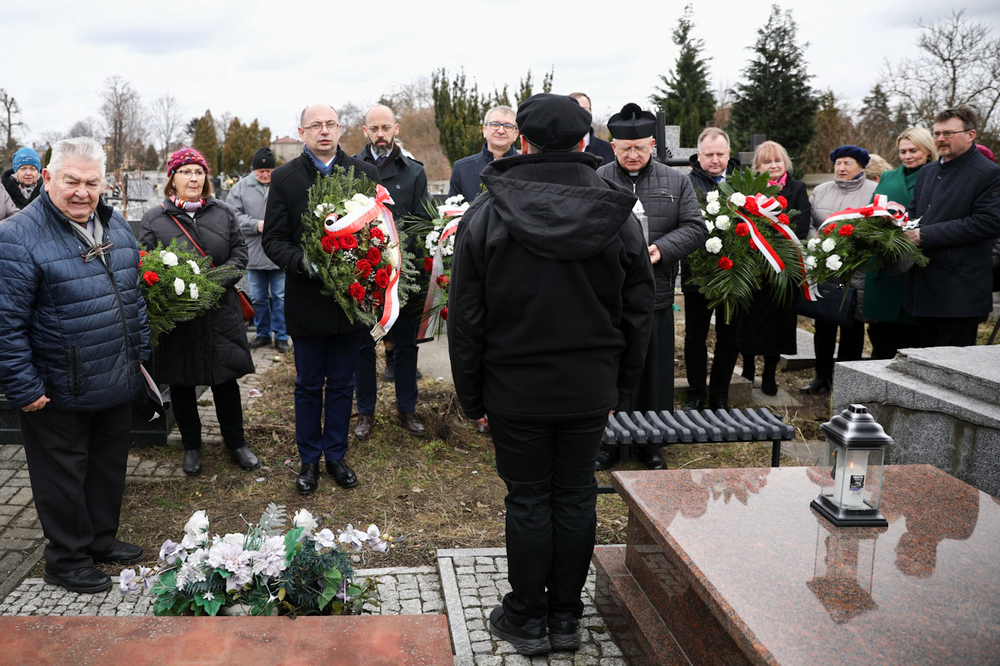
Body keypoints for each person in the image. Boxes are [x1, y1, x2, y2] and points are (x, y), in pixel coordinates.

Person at [448, 93, 654, 656]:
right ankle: (563, 616)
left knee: (531, 498)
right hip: (589, 385)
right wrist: (621, 388)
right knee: (574, 495)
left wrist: (472, 396)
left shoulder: (486, 215)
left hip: (516, 388)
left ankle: (531, 615)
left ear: (523, 142)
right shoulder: (618, 213)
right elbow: (639, 314)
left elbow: (466, 317)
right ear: (585, 143)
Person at [0, 137, 150, 593]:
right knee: (62, 478)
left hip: (114, 375)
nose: (82, 192)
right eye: (71, 181)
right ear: (47, 179)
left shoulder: (116, 223)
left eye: (91, 182)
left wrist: (139, 357)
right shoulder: (17, 236)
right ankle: (65, 560)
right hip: (57, 385)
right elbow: (5, 322)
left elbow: (133, 297)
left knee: (107, 468)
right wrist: (23, 386)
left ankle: (99, 541)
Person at [262, 104, 380, 494]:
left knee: (343, 383)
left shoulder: (364, 174)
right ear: (302, 132)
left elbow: (377, 232)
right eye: (316, 125)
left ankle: (336, 455)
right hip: (307, 301)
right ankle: (309, 459)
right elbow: (274, 239)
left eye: (330, 124)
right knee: (310, 384)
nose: (324, 131)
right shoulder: (285, 178)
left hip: (350, 301)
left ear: (341, 129)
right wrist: (302, 262)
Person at [596, 103, 706, 470]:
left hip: (655, 293)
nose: (632, 154)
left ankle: (652, 442)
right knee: (610, 368)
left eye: (640, 148)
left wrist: (661, 249)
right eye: (625, 148)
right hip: (608, 295)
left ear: (652, 147)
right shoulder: (598, 178)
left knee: (653, 369)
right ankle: (608, 441)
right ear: (613, 147)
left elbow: (695, 227)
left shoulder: (677, 181)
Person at [139, 148, 260, 477]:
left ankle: (236, 443)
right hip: (181, 316)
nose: (193, 178)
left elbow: (239, 252)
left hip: (220, 310)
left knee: (225, 380)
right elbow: (146, 260)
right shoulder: (155, 218)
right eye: (185, 172)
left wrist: (213, 283)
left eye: (198, 172)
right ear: (172, 179)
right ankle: (192, 445)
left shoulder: (223, 212)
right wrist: (180, 290)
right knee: (181, 382)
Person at [352, 104, 432, 439]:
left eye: (386, 128)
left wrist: (396, 253)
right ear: (365, 131)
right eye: (375, 128)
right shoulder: (352, 169)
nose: (381, 134)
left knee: (405, 345)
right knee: (362, 345)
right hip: (364, 274)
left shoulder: (414, 171)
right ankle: (365, 412)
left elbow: (423, 220)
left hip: (404, 272)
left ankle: (407, 408)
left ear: (396, 129)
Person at [903, 105, 1000, 348]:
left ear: (971, 135)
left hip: (960, 289)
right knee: (923, 359)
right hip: (924, 283)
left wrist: (924, 235)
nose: (940, 139)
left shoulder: (989, 173)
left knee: (951, 368)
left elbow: (987, 222)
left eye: (948, 133)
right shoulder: (927, 172)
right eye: (936, 133)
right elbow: (915, 212)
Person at [801, 145, 877, 394]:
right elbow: (811, 222)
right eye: (838, 163)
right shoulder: (821, 190)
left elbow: (876, 228)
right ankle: (821, 377)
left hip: (856, 270)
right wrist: (819, 246)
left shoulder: (873, 192)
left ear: (861, 167)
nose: (842, 168)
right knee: (823, 326)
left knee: (851, 328)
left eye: (848, 163)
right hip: (825, 268)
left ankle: (846, 382)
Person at [740, 140, 811, 395]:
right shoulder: (748, 190)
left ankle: (769, 373)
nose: (773, 166)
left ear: (785, 163)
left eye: (777, 160)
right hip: (754, 268)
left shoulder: (797, 189)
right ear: (757, 167)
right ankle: (748, 368)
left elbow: (801, 225)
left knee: (779, 324)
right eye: (766, 161)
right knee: (749, 320)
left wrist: (776, 244)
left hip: (784, 267)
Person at [863, 128, 936, 359]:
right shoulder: (888, 177)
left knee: (910, 338)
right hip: (884, 265)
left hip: (915, 263)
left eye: (913, 150)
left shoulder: (936, 177)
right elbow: (870, 209)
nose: (907, 156)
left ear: (927, 150)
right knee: (881, 335)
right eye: (903, 151)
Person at [682, 127, 742, 410]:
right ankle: (695, 393)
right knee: (696, 336)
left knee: (729, 337)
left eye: (720, 154)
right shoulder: (686, 184)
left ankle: (720, 395)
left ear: (729, 153)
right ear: (698, 154)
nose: (715, 159)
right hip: (698, 274)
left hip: (735, 275)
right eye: (709, 155)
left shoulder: (744, 183)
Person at [228, 147, 289, 353]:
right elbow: (232, 215)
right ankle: (263, 334)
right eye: (260, 171)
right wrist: (256, 225)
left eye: (268, 171)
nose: (265, 175)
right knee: (258, 298)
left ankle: (281, 335)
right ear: (254, 170)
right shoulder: (239, 188)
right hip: (253, 253)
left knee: (281, 297)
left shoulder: (282, 184)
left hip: (279, 254)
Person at [448, 105, 519, 202]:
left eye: (508, 126)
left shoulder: (527, 167)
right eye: (495, 124)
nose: (501, 131)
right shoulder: (462, 169)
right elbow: (452, 213)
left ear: (516, 134)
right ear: (484, 130)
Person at [567, 92, 615, 165]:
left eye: (585, 110)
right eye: (575, 109)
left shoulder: (608, 149)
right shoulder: (555, 151)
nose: (581, 114)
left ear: (591, 112)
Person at [2, 146, 44, 213]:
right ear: (16, 171)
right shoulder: (3, 191)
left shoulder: (48, 191)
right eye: (23, 168)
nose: (28, 173)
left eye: (32, 169)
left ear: (38, 171)